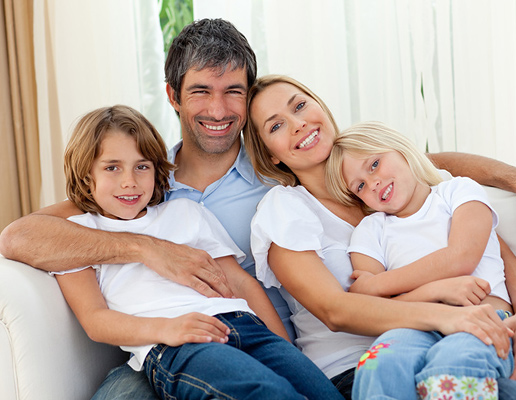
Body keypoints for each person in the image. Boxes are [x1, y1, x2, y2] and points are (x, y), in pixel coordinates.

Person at [0, 18, 516, 399]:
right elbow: (23, 235)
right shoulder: (147, 186)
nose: (218, 109)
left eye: (233, 92)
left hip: (373, 339)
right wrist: (149, 248)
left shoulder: (335, 171)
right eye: (201, 91)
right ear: (173, 95)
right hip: (213, 344)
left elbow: (434, 171)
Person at [245, 74, 516, 399]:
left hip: (480, 329)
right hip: (372, 362)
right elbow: (336, 309)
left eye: (300, 106)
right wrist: (443, 311)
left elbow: (495, 253)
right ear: (270, 156)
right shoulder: (287, 209)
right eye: (276, 125)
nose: (298, 124)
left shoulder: (398, 181)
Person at [53, 104, 341, 399]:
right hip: (180, 343)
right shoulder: (78, 235)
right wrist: (167, 329)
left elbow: (240, 282)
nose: (129, 181)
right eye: (112, 167)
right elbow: (95, 320)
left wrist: (283, 347)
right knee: (267, 393)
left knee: (322, 393)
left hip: (246, 325)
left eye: (142, 166)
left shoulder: (185, 211)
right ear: (86, 176)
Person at [325, 121, 514, 399]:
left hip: (483, 316)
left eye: (374, 164)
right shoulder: (370, 230)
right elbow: (371, 307)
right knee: (377, 366)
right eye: (360, 186)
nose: (373, 183)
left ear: (400, 150)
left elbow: (461, 257)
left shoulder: (458, 191)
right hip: (412, 329)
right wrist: (436, 290)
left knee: (452, 365)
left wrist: (376, 284)